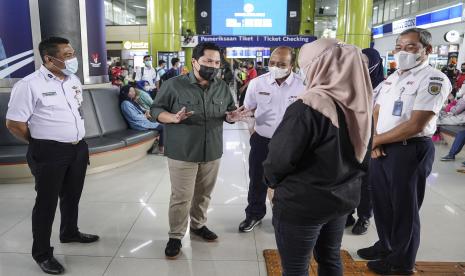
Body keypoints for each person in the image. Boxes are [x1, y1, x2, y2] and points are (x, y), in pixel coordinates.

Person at [263, 38, 372, 276]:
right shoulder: (360, 105)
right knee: (330, 258)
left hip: (303, 204)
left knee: (295, 268)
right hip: (341, 199)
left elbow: (279, 159)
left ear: (320, 67)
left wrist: (271, 183)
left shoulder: (308, 107)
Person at [357, 28, 451, 275]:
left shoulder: (433, 79)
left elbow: (416, 124)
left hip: (409, 150)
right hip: (383, 147)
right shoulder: (393, 77)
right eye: (399, 47)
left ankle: (401, 261)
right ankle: (386, 245)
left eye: (410, 47)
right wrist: (376, 141)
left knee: (404, 208)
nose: (402, 52)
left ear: (426, 50)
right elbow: (377, 110)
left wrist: (376, 141)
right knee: (382, 203)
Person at [5, 37, 99, 275]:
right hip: (48, 151)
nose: (73, 58)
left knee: (72, 196)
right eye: (67, 55)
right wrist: (40, 140)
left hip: (77, 148)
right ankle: (42, 253)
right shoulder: (29, 85)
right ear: (49, 59)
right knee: (46, 203)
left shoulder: (73, 80)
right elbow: (14, 123)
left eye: (73, 53)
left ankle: (69, 232)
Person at [151, 42, 244, 259]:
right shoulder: (174, 85)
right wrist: (172, 118)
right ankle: (175, 236)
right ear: (194, 62)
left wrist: (232, 118)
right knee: (181, 197)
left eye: (217, 62)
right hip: (183, 151)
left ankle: (198, 225)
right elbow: (155, 109)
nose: (213, 66)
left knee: (203, 194)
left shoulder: (221, 86)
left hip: (211, 150)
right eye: (208, 61)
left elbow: (228, 112)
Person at [238, 46, 305, 233]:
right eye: (272, 63)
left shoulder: (304, 86)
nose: (276, 67)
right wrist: (252, 130)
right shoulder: (257, 83)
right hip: (262, 140)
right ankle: (254, 214)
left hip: (292, 144)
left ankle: (285, 217)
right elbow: (248, 109)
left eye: (282, 64)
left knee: (289, 182)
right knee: (257, 179)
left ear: (292, 65)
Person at [346, 48, 385, 235]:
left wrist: (377, 140)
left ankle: (364, 217)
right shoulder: (351, 82)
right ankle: (347, 212)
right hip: (350, 134)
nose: (363, 66)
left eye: (367, 63)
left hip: (372, 137)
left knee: (366, 181)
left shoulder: (384, 87)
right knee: (347, 176)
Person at [120, 85, 164, 154]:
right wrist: (145, 116)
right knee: (162, 127)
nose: (133, 92)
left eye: (133, 90)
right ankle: (160, 148)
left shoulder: (131, 101)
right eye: (131, 91)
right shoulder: (125, 104)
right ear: (125, 93)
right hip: (138, 124)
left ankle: (156, 145)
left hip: (143, 122)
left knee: (162, 121)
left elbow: (140, 109)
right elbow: (134, 117)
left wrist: (146, 111)